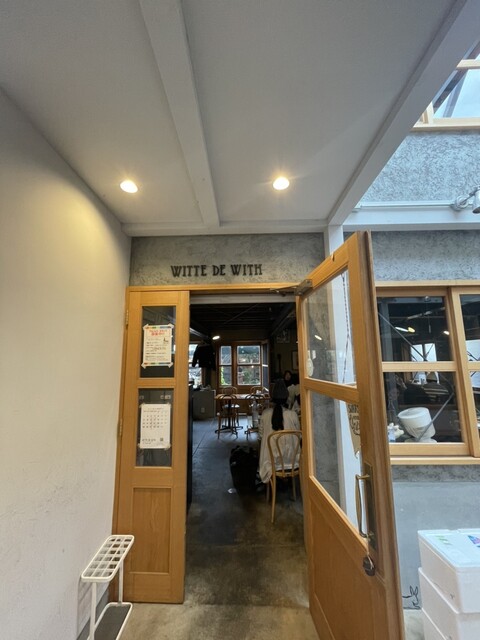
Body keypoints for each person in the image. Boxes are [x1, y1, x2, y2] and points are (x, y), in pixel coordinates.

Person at [258, 379, 300, 483]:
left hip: (270, 464)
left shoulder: (265, 414)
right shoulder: (292, 415)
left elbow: (261, 435)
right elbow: (298, 435)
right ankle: (288, 483)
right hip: (292, 462)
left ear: (272, 398)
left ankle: (274, 484)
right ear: (286, 398)